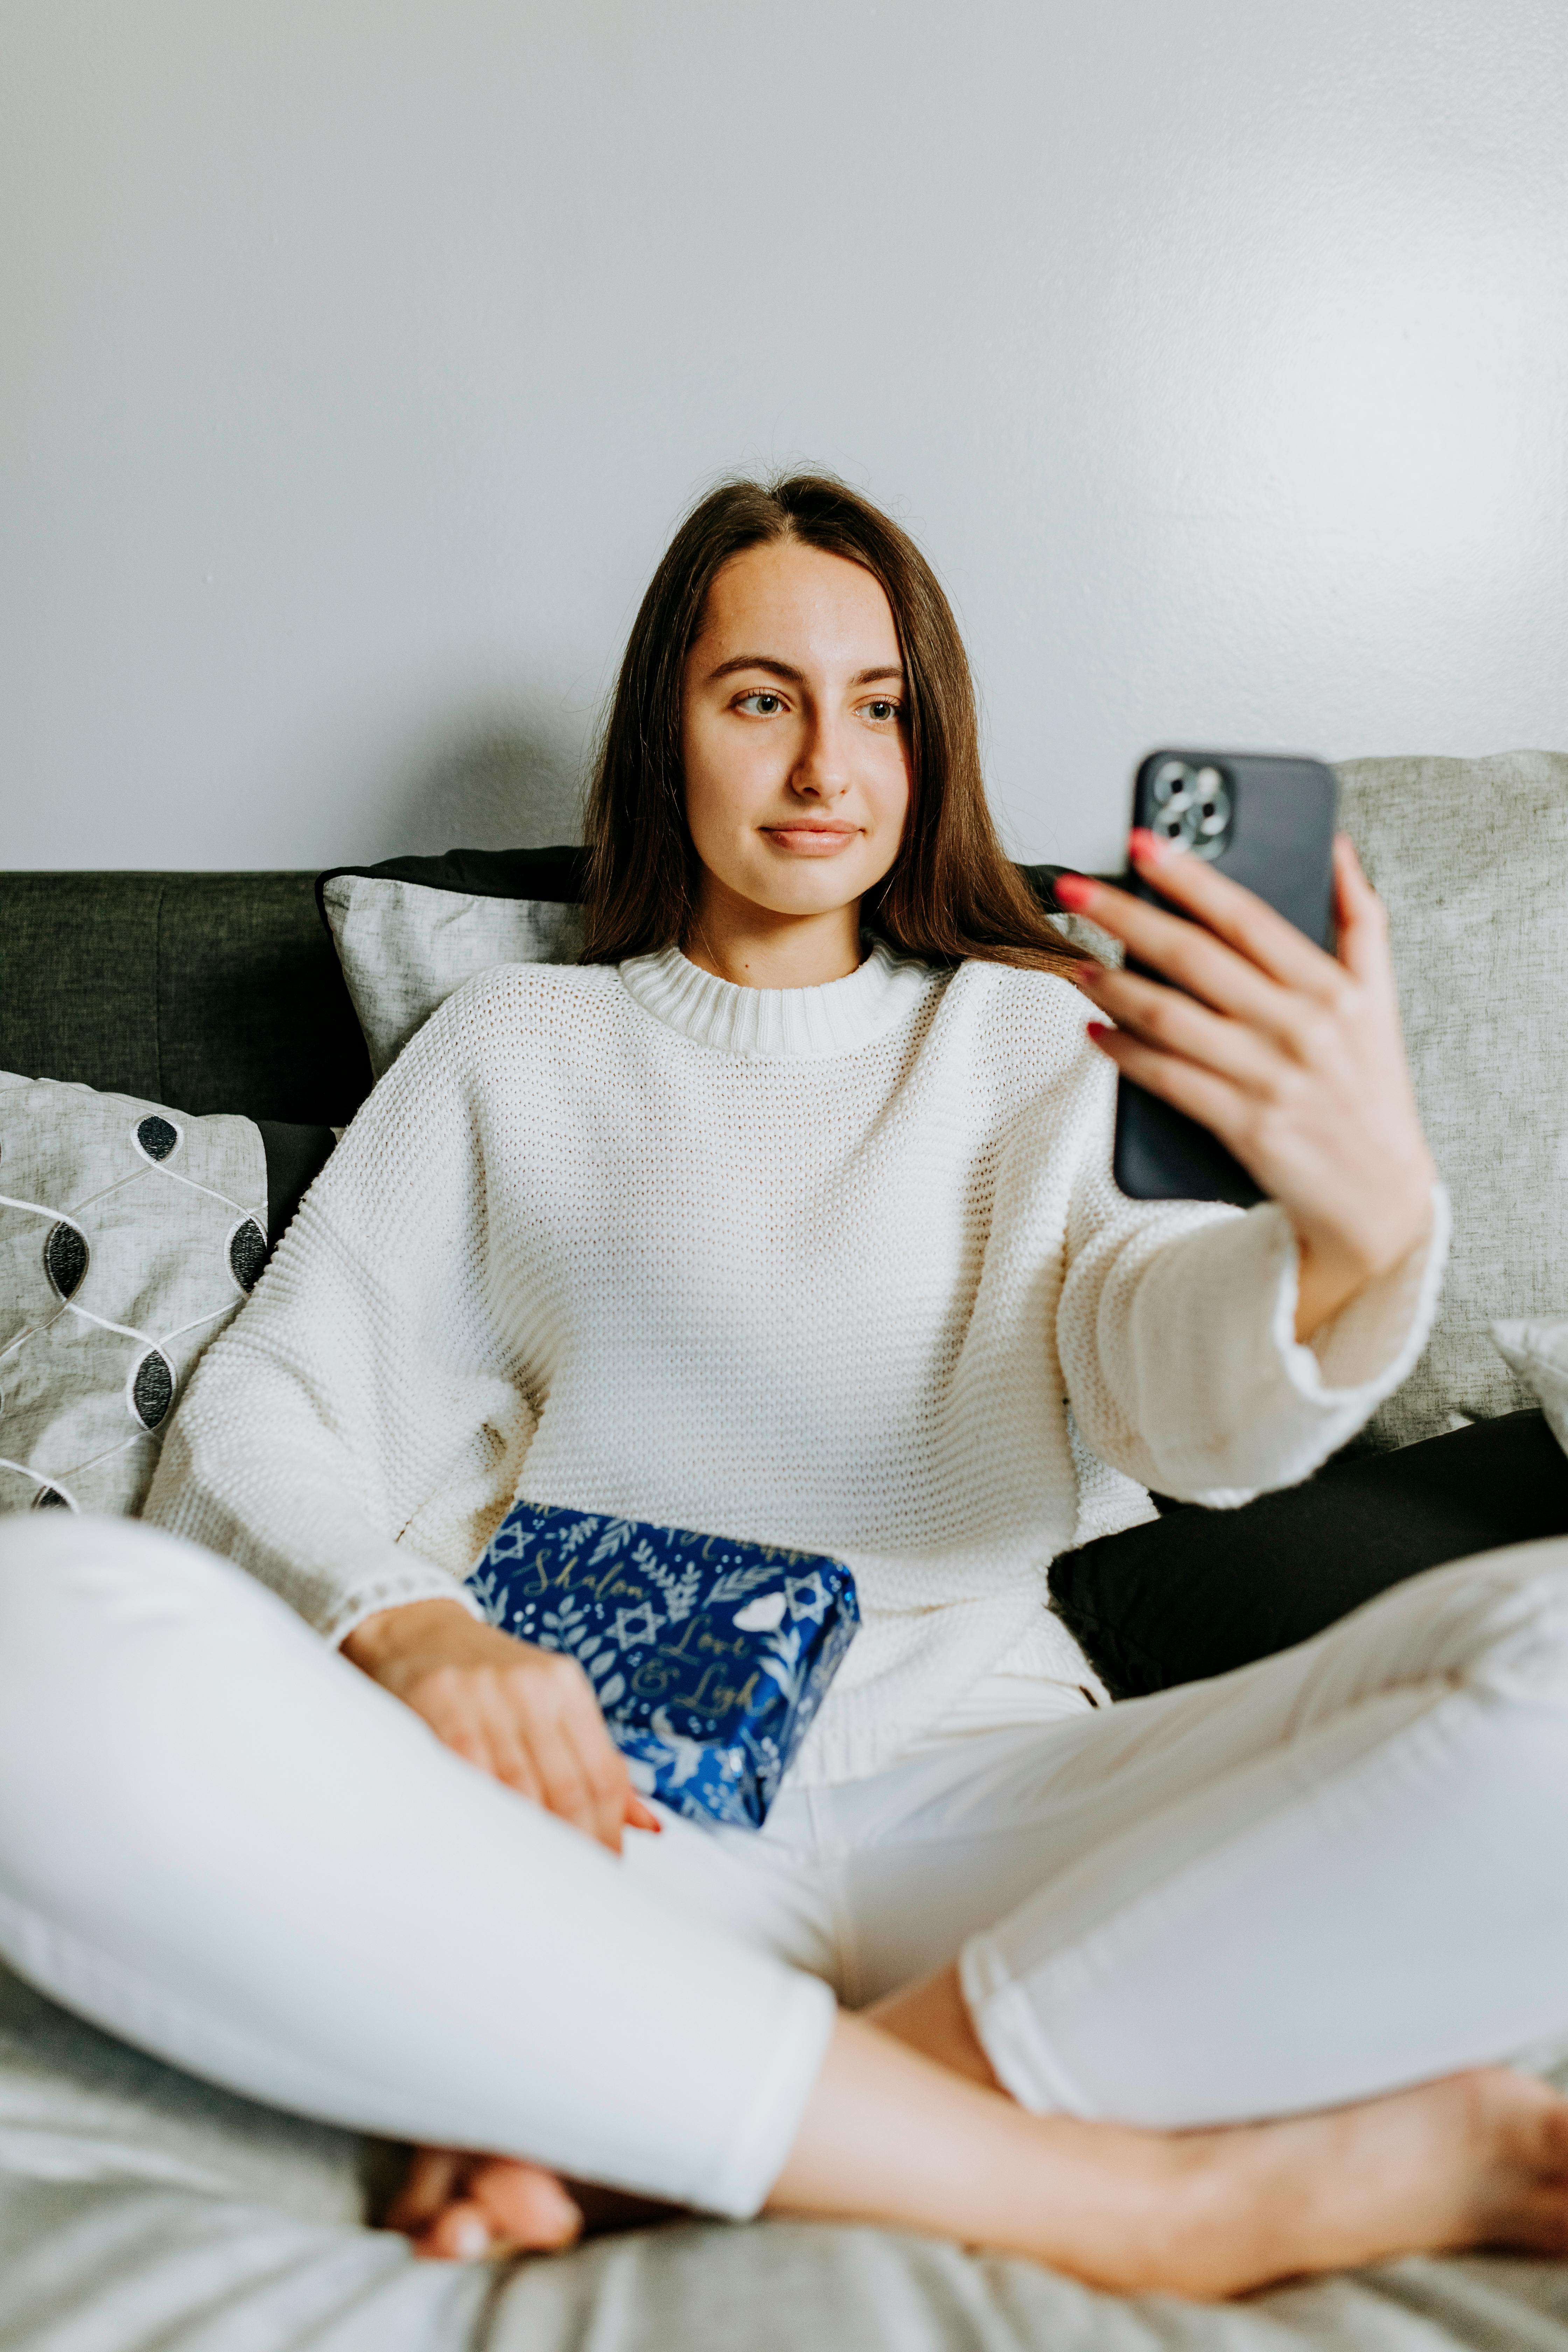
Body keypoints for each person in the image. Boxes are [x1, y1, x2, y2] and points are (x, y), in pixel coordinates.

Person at [4, 474, 1568, 2303]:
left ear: (932, 744)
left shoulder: (1037, 1029)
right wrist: (409, 1630)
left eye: (883, 706)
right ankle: (1136, 2199)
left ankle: (675, 2136)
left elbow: (1179, 1397)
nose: (828, 761)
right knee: (37, 1631)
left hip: (1004, 1811)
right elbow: (265, 1411)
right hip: (608, 1826)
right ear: (668, 732)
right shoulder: (522, 1048)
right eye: (762, 697)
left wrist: (1349, 1239)